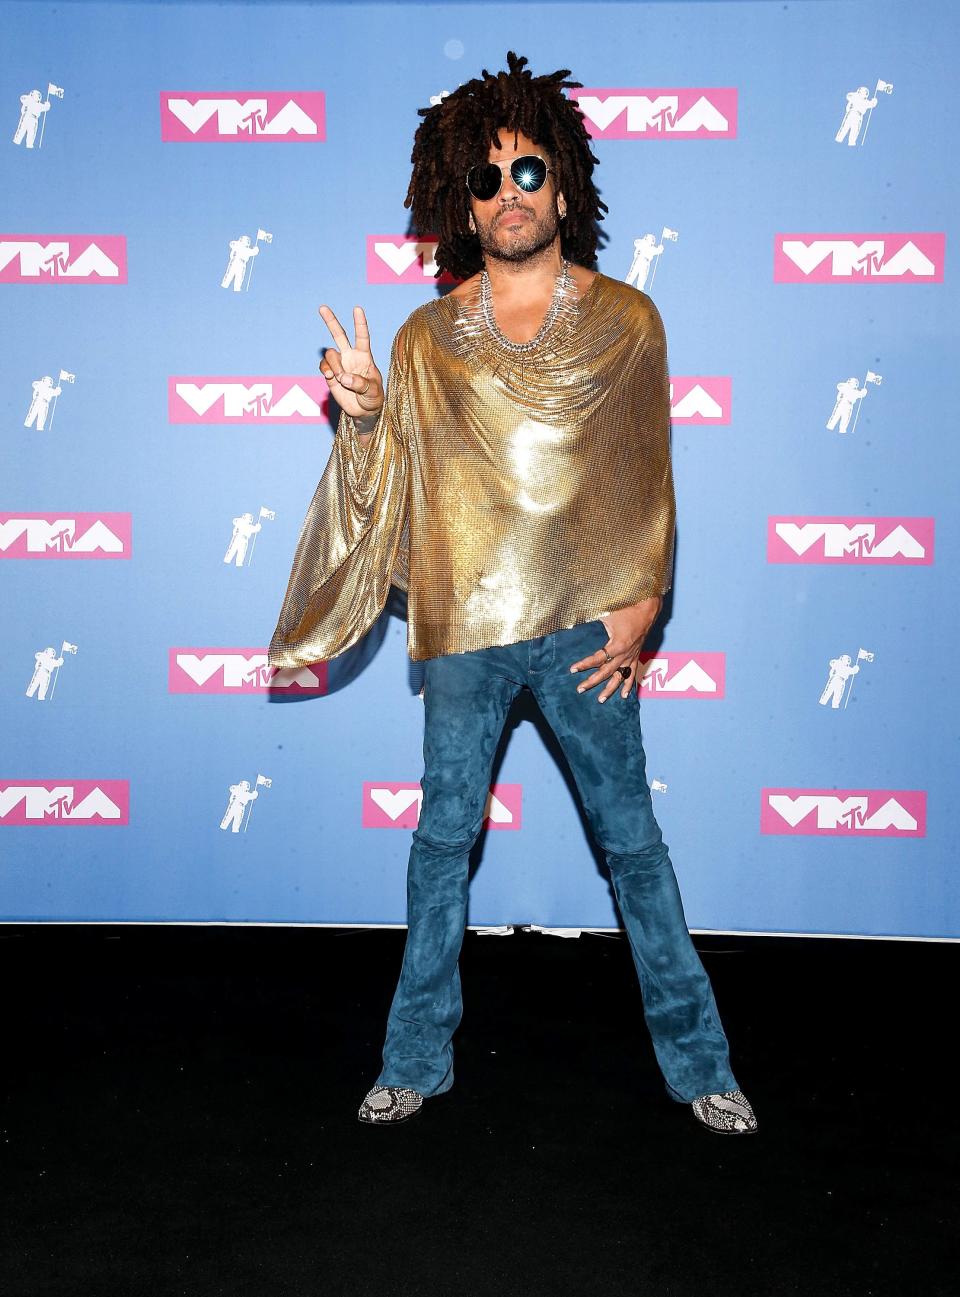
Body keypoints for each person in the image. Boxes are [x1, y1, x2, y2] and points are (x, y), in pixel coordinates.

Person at [268, 52, 757, 1136]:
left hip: (588, 627)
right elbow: (388, 491)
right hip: (463, 634)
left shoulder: (630, 320)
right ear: (461, 201)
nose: (508, 197)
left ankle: (700, 1065)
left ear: (565, 184)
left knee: (634, 848)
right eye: (484, 182)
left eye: (526, 171)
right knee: (441, 846)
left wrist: (646, 600)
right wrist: (358, 411)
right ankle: (412, 1062)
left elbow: (647, 471)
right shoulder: (424, 339)